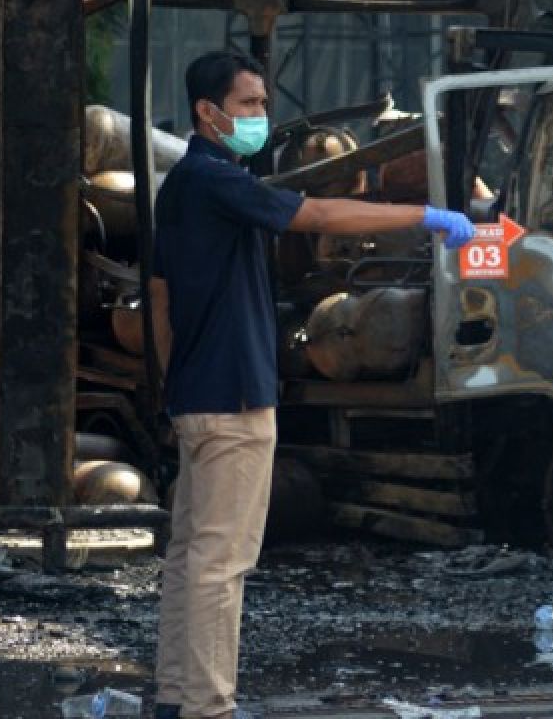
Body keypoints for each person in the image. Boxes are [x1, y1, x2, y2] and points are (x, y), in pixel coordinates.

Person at [149, 50, 474, 719]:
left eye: (264, 103)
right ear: (208, 113)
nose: (262, 115)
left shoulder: (178, 187)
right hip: (234, 399)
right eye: (248, 105)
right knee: (221, 564)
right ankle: (207, 707)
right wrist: (424, 218)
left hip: (196, 394)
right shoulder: (216, 179)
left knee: (190, 557)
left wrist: (172, 382)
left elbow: (158, 295)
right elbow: (320, 216)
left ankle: (174, 698)